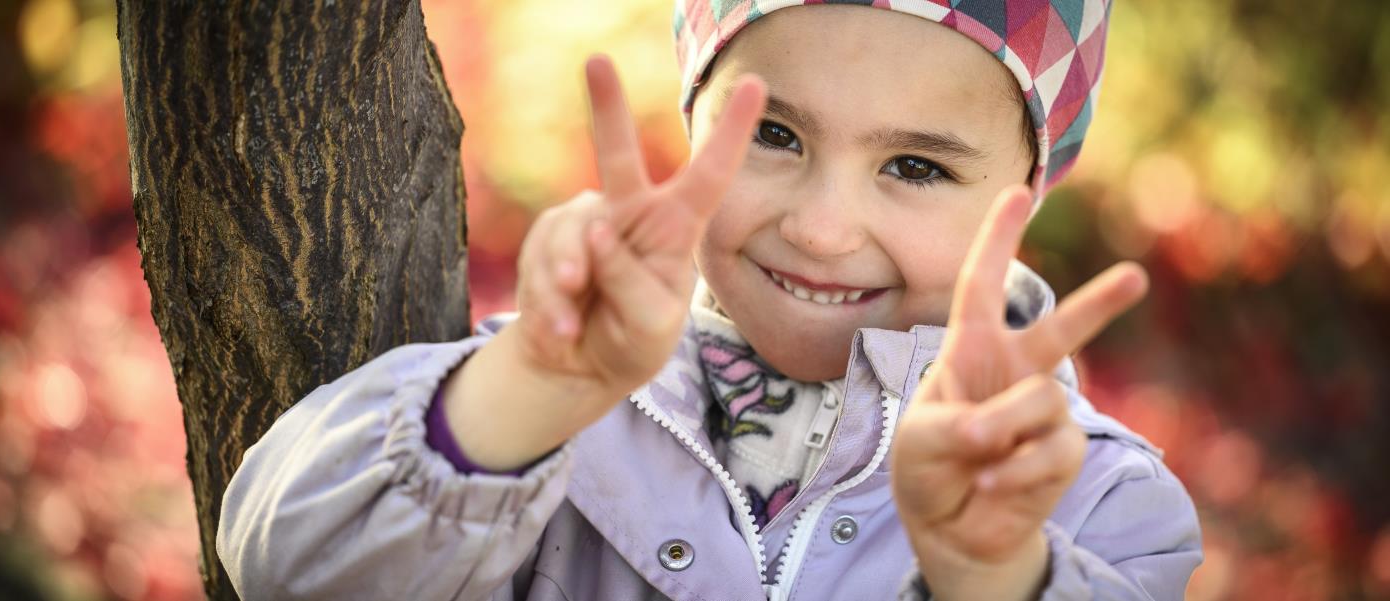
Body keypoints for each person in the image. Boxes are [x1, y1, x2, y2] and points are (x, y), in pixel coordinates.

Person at [217, 1, 1203, 599]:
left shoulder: (1095, 502)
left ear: (1025, 196)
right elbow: (286, 571)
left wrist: (989, 573)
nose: (821, 228)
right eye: (772, 136)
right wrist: (529, 390)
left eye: (912, 165)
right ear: (693, 121)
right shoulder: (559, 393)